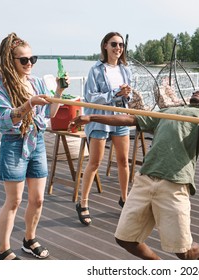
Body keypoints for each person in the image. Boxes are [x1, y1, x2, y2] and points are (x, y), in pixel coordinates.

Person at [68, 87, 199, 260]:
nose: (198, 92)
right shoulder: (168, 111)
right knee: (125, 239)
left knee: (183, 251)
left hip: (174, 183)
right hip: (145, 178)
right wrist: (91, 118)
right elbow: (129, 119)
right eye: (197, 91)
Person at [0, 32, 69, 260]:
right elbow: (3, 120)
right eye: (24, 60)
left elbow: (49, 115)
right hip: (14, 143)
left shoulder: (36, 82)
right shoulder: (0, 87)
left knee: (38, 199)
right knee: (14, 201)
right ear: (9, 61)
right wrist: (29, 103)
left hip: (37, 142)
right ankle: (3, 250)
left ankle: (29, 239)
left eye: (32, 59)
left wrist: (59, 92)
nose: (29, 64)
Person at [76, 32, 132, 226]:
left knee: (124, 161)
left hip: (121, 117)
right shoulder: (96, 70)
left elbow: (128, 98)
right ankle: (82, 203)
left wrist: (126, 94)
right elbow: (91, 97)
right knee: (95, 162)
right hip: (101, 119)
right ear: (105, 46)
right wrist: (115, 93)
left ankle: (124, 199)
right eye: (114, 44)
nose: (118, 48)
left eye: (121, 45)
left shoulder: (126, 71)